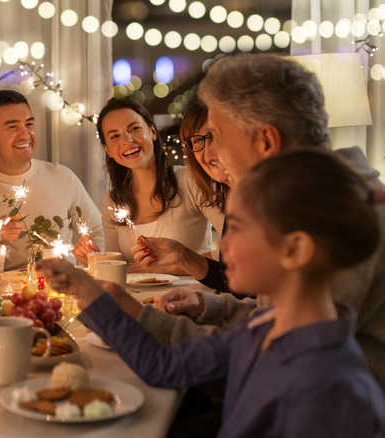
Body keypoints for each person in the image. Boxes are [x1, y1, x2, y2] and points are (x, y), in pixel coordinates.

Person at [38, 148, 385, 437]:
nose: (222, 245)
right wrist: (90, 293)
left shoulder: (335, 394)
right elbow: (166, 367)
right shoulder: (265, 328)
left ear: (295, 249)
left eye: (239, 229)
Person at [113, 53, 385, 394]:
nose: (211, 155)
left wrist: (138, 321)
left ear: (266, 141)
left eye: (217, 135)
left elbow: (270, 355)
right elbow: (274, 316)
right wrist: (210, 306)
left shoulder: (334, 218)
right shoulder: (303, 201)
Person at [0, 89, 102, 271]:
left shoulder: (62, 177)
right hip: (4, 295)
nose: (25, 135)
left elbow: (98, 232)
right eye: (13, 127)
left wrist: (95, 262)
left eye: (29, 124)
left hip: (62, 291)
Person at [73, 97, 223, 274]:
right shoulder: (112, 201)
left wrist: (177, 265)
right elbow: (124, 270)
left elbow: (237, 249)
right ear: (108, 150)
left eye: (134, 128)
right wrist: (97, 259)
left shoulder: (190, 180)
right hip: (139, 300)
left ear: (152, 131)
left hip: (194, 298)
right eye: (115, 136)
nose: (127, 140)